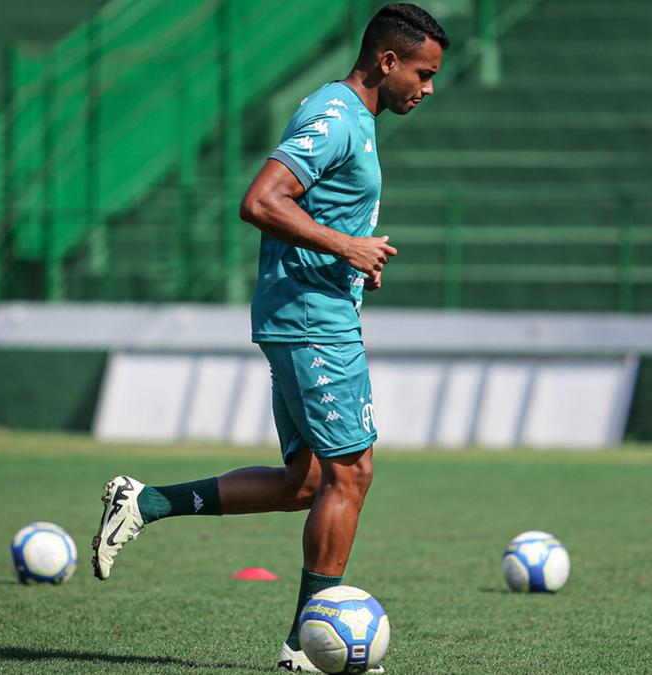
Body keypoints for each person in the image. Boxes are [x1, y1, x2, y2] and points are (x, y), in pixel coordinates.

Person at [91, 4, 448, 671]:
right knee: (353, 471)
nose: (427, 89)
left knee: (307, 481)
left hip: (311, 311)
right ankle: (304, 650)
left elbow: (305, 211)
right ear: (387, 60)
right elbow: (260, 200)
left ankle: (146, 501)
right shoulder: (337, 116)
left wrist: (348, 258)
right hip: (312, 322)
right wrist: (345, 244)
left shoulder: (353, 118)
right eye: (423, 74)